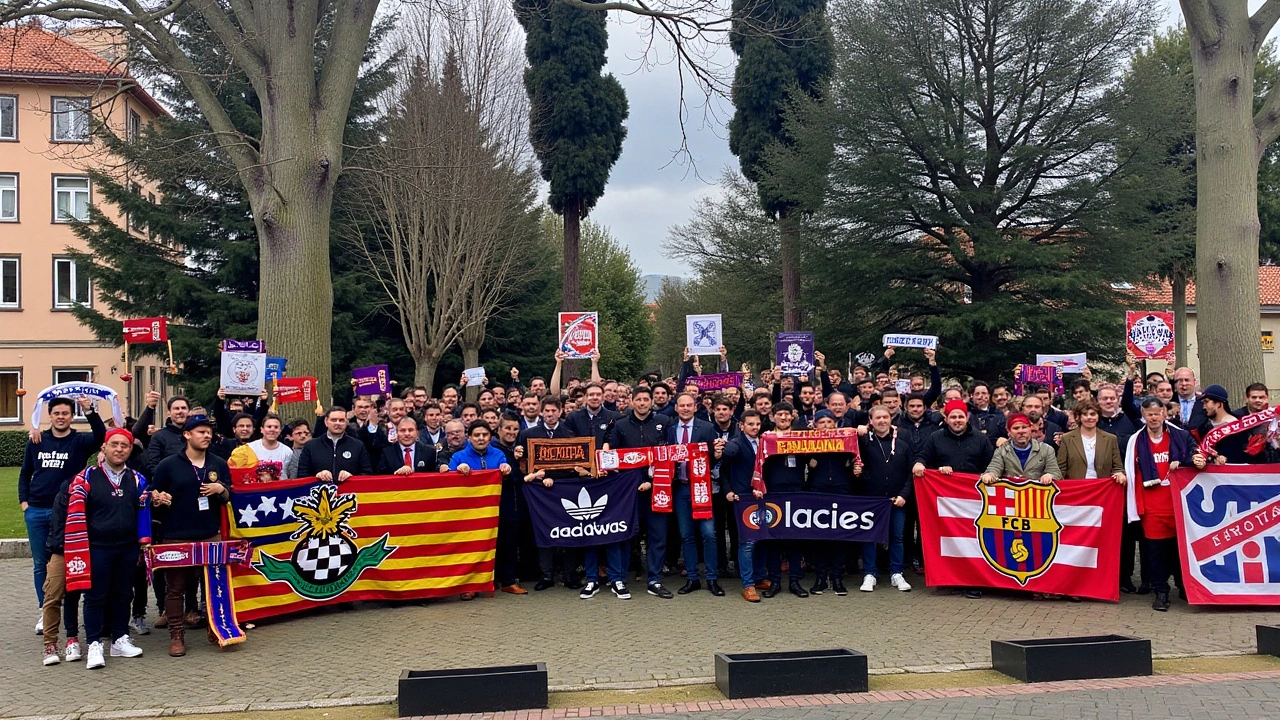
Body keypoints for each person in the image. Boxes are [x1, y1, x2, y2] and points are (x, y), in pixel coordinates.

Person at [63, 428, 151, 669]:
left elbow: (143, 511)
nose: (119, 449)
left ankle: (120, 639)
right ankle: (94, 644)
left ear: (130, 450)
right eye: (114, 444)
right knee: (95, 597)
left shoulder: (137, 479)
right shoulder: (86, 477)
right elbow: (74, 510)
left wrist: (144, 542)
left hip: (127, 547)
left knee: (124, 594)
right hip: (96, 547)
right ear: (104, 448)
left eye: (124, 445)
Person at [20, 396, 105, 633]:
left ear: (71, 416)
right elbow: (25, 473)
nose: (60, 417)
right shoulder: (37, 440)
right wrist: (24, 502)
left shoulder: (80, 441)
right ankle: (44, 610)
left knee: (70, 560)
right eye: (56, 413)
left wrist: (90, 410)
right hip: (36, 509)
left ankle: (69, 609)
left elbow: (101, 437)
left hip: (70, 510)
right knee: (41, 564)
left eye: (65, 413)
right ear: (50, 415)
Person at [149, 415, 232, 656]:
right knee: (176, 588)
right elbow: (153, 494)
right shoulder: (168, 465)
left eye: (209, 432)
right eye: (201, 432)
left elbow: (229, 497)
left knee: (214, 585)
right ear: (187, 434)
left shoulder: (218, 463)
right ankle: (176, 635)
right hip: (176, 535)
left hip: (209, 534)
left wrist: (221, 489)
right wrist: (156, 497)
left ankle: (216, 628)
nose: (207, 436)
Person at [1125, 398, 1205, 611]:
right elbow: (1132, 475)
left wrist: (1192, 460)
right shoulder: (1135, 440)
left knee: (1181, 550)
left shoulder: (1180, 435)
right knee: (1156, 553)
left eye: (1157, 413)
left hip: (1179, 505)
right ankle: (1161, 592)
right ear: (1143, 414)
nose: (1153, 417)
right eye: (1149, 413)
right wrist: (1137, 508)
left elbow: (1195, 455)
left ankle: (1184, 587)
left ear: (1164, 413)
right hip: (1152, 507)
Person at [913, 399, 994, 598]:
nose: (957, 420)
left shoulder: (981, 439)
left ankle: (974, 581)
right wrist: (920, 465)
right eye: (953, 417)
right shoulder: (935, 437)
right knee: (949, 541)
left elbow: (992, 464)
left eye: (960, 416)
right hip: (947, 502)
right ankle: (951, 579)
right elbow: (922, 457)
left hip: (975, 501)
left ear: (967, 417)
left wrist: (989, 474)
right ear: (946, 418)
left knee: (974, 541)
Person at [604, 386, 668, 597]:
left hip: (656, 488)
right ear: (632, 401)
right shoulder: (620, 425)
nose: (642, 403)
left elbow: (669, 457)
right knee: (621, 534)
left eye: (646, 399)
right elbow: (610, 456)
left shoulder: (664, 423)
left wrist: (652, 480)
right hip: (627, 492)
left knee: (657, 536)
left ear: (651, 402)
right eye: (638, 399)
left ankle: (654, 579)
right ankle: (618, 579)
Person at [665, 393, 724, 596]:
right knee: (687, 536)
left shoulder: (706, 428)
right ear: (676, 408)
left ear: (695, 407)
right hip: (680, 487)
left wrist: (716, 456)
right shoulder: (670, 430)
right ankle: (692, 578)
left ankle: (712, 578)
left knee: (709, 534)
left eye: (689, 405)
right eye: (682, 405)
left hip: (702, 487)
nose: (685, 408)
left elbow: (714, 459)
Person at [854, 405, 914, 593]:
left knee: (897, 537)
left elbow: (910, 474)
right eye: (877, 418)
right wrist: (858, 431)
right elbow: (850, 453)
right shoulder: (863, 443)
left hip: (896, 500)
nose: (882, 421)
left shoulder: (902, 445)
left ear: (891, 419)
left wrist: (904, 495)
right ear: (870, 421)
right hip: (870, 501)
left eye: (885, 417)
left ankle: (897, 573)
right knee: (869, 537)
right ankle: (870, 573)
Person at [759, 402, 809, 598]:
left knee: (796, 539)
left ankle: (795, 581)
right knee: (774, 540)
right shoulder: (765, 438)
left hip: (797, 491)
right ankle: (775, 581)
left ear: (792, 417)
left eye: (787, 415)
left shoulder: (802, 438)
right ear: (772, 417)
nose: (783, 418)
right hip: (773, 493)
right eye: (779, 414)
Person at [806, 411, 855, 596]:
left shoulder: (845, 440)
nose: (825, 425)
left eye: (829, 421)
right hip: (817, 490)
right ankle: (820, 576)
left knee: (839, 536)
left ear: (835, 424)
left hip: (841, 490)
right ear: (815, 425)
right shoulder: (808, 442)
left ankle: (837, 577)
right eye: (821, 422)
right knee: (820, 536)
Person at [723, 410, 767, 601]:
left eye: (757, 424)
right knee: (747, 542)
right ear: (741, 425)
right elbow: (722, 470)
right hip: (743, 498)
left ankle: (759, 577)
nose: (755, 427)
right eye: (750, 424)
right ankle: (748, 584)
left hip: (763, 497)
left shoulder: (766, 442)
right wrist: (728, 491)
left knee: (762, 539)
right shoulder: (734, 445)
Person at [492, 414, 528, 594]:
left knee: (511, 545)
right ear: (498, 430)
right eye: (507, 428)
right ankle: (499, 579)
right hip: (496, 506)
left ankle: (507, 580)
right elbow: (513, 477)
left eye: (515, 429)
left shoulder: (517, 450)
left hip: (515, 507)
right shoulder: (494, 450)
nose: (511, 432)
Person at [980, 413, 1062, 485]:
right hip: (1011, 496)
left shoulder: (1046, 449)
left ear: (1030, 429)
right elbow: (994, 468)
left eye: (1024, 427)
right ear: (1009, 431)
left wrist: (1050, 475)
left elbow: (1056, 473)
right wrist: (990, 475)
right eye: (1016, 428)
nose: (1021, 431)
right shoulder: (1002, 450)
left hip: (1037, 497)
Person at [296, 407, 374, 481]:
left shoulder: (358, 446)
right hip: (320, 492)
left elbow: (367, 473)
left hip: (349, 492)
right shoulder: (311, 446)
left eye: (341, 420)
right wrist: (317, 476)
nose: (338, 423)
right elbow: (302, 474)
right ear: (326, 421)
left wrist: (351, 477)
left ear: (346, 422)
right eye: (333, 420)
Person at [1057, 399, 1125, 483]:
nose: (1089, 417)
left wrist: (1119, 473)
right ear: (1079, 417)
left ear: (1098, 416)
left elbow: (1117, 467)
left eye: (1093, 414)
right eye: (1085, 414)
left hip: (1102, 488)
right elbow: (1060, 470)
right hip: (1077, 488)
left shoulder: (1111, 439)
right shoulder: (1067, 438)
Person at [1197, 385, 1252, 463]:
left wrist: (1226, 459)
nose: (1204, 407)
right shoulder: (1204, 426)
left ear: (1219, 404)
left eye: (1206, 402)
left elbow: (1243, 456)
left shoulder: (1236, 427)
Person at [141, 396, 193, 475]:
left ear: (189, 411)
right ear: (168, 412)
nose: (180, 411)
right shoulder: (159, 436)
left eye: (183, 408)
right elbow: (153, 465)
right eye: (176, 408)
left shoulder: (196, 435)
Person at [246, 414, 293, 479]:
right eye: (269, 427)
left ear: (280, 431)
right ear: (262, 429)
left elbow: (286, 474)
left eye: (276, 427)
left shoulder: (287, 451)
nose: (272, 430)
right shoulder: (250, 448)